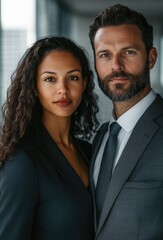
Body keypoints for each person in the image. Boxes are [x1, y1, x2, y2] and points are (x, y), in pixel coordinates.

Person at [88, 4, 163, 240]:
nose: (116, 66)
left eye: (128, 52)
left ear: (151, 58)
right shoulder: (101, 137)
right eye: (105, 55)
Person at [0, 36, 99, 240]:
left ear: (85, 83)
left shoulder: (89, 151)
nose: (63, 89)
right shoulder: (22, 161)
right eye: (50, 79)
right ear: (34, 87)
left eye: (72, 77)